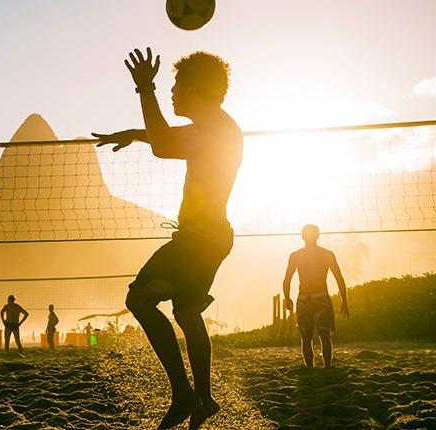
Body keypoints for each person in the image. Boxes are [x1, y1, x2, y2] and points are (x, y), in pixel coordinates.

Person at [94, 49, 242, 429]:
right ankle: (205, 399)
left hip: (198, 239)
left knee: (139, 299)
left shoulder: (218, 130)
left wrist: (145, 87)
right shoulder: (219, 127)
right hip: (211, 237)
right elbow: (173, 139)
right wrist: (139, 134)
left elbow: (166, 144)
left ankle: (183, 395)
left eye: (176, 86)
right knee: (188, 313)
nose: (172, 93)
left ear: (194, 89)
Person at [283, 224, 350, 368]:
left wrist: (345, 301)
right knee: (315, 337)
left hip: (315, 299)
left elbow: (339, 278)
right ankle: (321, 368)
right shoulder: (304, 255)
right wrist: (287, 297)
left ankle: (318, 368)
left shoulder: (320, 254)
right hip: (311, 299)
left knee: (315, 337)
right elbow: (287, 279)